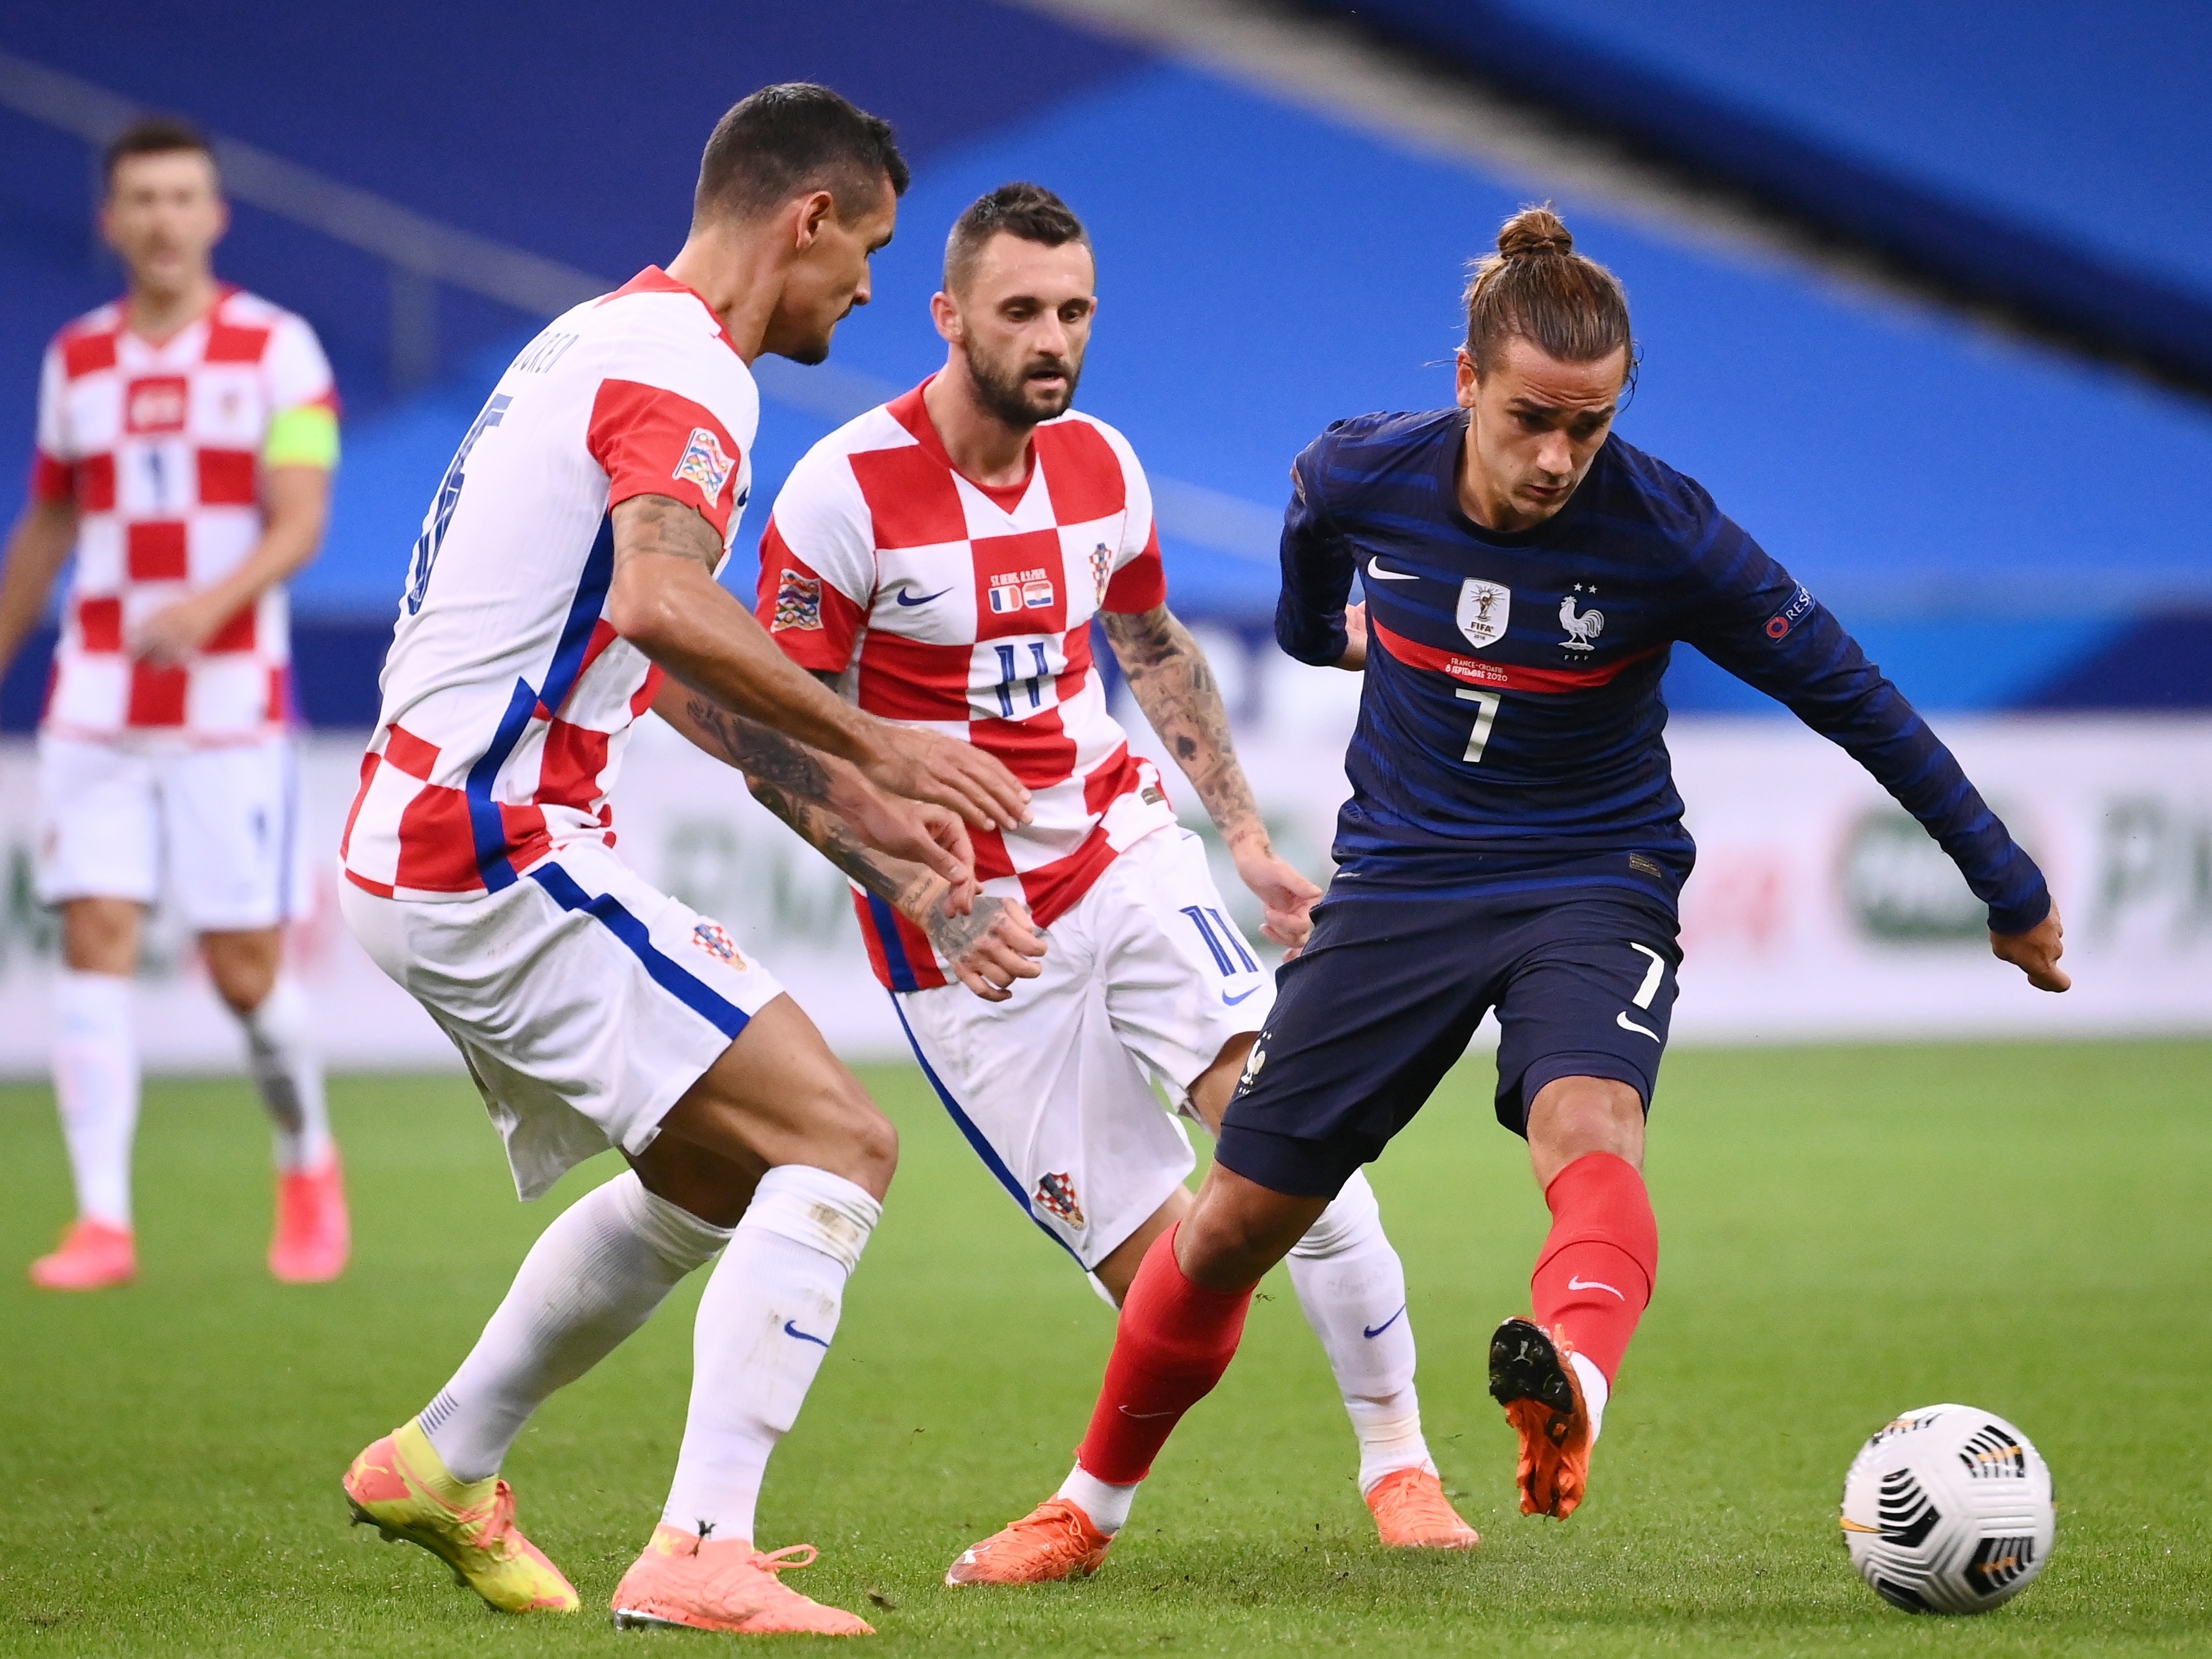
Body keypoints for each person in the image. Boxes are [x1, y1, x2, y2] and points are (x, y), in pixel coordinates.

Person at [951, 204, 2071, 1578]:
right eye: (1532, 418)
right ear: (1469, 382)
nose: (1557, 459)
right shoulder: (1368, 471)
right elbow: (1311, 528)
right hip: (1404, 882)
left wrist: (2004, 882)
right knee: (1238, 1221)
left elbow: (1853, 698)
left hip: (1592, 877)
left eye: (1587, 429)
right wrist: (1318, 634)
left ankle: (1574, 1389)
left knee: (1588, 1122)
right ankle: (1088, 1509)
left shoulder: (1669, 535)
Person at [333, 85, 1029, 1637]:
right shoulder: (688, 375)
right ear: (810, 218)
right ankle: (698, 1549)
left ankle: (442, 1462)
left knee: (715, 1170)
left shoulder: (594, 341)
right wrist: (879, 740)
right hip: (493, 848)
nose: (868, 291)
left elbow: (679, 677)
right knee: (843, 1145)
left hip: (431, 840)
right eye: (869, 252)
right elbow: (664, 601)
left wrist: (880, 852)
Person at [754, 182, 1477, 1577]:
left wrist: (1248, 840)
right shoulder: (843, 491)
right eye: (1021, 310)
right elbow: (775, 748)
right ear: (948, 315)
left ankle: (1401, 1466)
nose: (1053, 339)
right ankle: (1096, 1508)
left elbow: (1151, 651)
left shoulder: (1104, 465)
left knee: (1296, 1150)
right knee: (1172, 1284)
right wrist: (932, 895)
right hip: (962, 938)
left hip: (1118, 853)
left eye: (1075, 311)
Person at [0, 116, 346, 1290]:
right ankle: (102, 1220)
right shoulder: (76, 360)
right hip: (95, 694)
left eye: (181, 197)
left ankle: (306, 1159)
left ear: (214, 215)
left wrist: (209, 604)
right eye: (140, 199)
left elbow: (300, 520)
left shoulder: (279, 351)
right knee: (91, 938)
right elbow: (51, 519)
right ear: (110, 220)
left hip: (229, 701)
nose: (161, 218)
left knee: (245, 970)